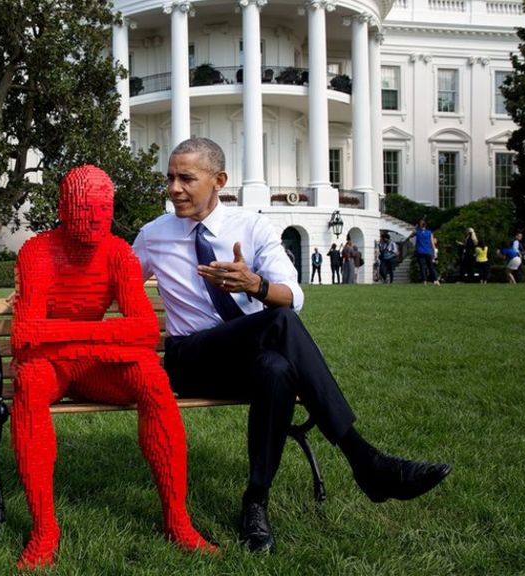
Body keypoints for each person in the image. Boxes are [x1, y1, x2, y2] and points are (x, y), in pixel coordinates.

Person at [132, 137, 450, 554]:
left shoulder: (251, 227)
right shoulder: (154, 235)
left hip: (244, 360)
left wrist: (255, 285)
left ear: (219, 181)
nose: (174, 188)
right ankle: (364, 460)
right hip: (190, 360)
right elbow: (113, 282)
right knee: (279, 324)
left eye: (186, 178)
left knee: (277, 368)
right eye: (170, 177)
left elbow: (292, 294)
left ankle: (255, 504)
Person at [10, 165, 217, 570]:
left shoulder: (118, 253)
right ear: (64, 209)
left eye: (103, 209)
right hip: (53, 369)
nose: (94, 218)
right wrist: (103, 333)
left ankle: (177, 519)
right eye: (85, 208)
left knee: (153, 379)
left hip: (89, 368)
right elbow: (25, 336)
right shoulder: (37, 252)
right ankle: (44, 528)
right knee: (31, 380)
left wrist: (69, 335)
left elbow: (143, 329)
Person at [409, 220, 439, 285]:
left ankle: (424, 281)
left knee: (422, 267)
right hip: (428, 251)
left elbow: (410, 236)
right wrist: (434, 252)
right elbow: (432, 243)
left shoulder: (418, 232)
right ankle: (435, 279)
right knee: (431, 266)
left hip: (420, 251)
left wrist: (415, 228)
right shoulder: (429, 232)